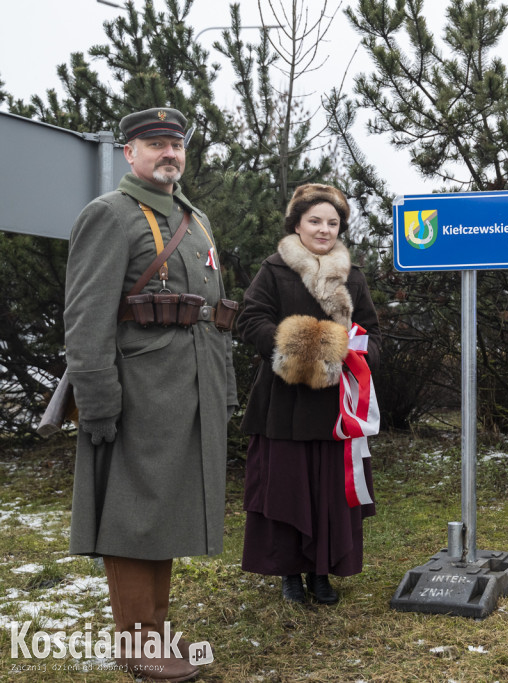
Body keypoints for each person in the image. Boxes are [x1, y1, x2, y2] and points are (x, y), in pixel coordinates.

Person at [65, 107, 237, 681]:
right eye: (155, 143)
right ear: (129, 152)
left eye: (176, 144)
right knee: (134, 515)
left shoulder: (194, 218)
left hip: (190, 390)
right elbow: (86, 320)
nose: (169, 153)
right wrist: (98, 402)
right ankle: (137, 640)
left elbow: (214, 315)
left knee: (162, 514)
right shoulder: (110, 215)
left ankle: (154, 629)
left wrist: (223, 389)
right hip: (138, 394)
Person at [236, 183, 381, 605]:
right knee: (288, 487)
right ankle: (289, 573)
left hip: (335, 408)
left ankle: (322, 572)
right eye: (314, 221)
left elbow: (373, 334)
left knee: (329, 490)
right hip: (283, 404)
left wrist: (357, 356)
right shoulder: (274, 270)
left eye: (332, 223)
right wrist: (311, 347)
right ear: (296, 224)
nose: (323, 229)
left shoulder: (353, 277)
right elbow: (251, 320)